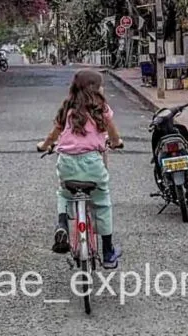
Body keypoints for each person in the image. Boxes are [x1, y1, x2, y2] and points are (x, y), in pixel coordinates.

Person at [37, 69, 123, 269]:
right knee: (102, 203)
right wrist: (117, 142)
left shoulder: (67, 107)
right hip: (92, 163)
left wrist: (44, 145)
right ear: (95, 88)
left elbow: (53, 135)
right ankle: (108, 252)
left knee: (64, 195)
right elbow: (114, 135)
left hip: (66, 163)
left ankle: (62, 226)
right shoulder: (101, 108)